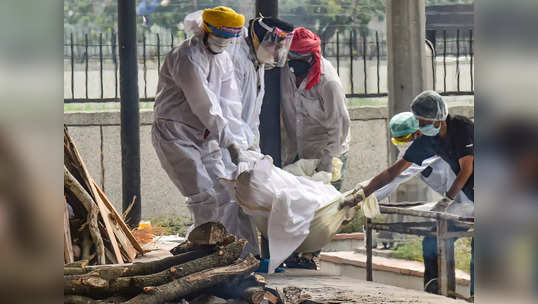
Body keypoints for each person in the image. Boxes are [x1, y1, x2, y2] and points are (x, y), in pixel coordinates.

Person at [151, 7, 257, 254]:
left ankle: (223, 254)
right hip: (176, 135)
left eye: (228, 38)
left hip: (206, 138)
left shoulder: (223, 59)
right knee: (204, 198)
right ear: (205, 30)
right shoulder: (186, 56)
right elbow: (205, 104)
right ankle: (202, 257)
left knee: (226, 194)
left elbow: (230, 104)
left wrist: (240, 143)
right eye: (219, 36)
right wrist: (229, 142)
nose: (223, 42)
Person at [356, 91, 474, 295]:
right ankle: (434, 288)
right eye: (418, 122)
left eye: (423, 121)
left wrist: (447, 200)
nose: (420, 127)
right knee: (434, 236)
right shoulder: (428, 140)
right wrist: (361, 193)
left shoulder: (461, 127)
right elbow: (394, 171)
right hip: (466, 196)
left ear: (438, 118)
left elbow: (467, 169)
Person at [280, 27, 351, 191]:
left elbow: (340, 124)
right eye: (292, 55)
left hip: (326, 152)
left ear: (313, 56)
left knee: (325, 203)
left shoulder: (328, 81)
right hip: (294, 151)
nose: (295, 60)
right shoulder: (283, 71)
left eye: (301, 56)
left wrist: (326, 163)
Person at [229, 16, 294, 151]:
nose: (277, 53)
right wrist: (241, 148)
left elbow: (253, 115)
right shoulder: (237, 61)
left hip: (243, 140)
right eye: (276, 47)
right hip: (229, 144)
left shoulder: (258, 61)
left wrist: (254, 147)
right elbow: (230, 114)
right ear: (259, 39)